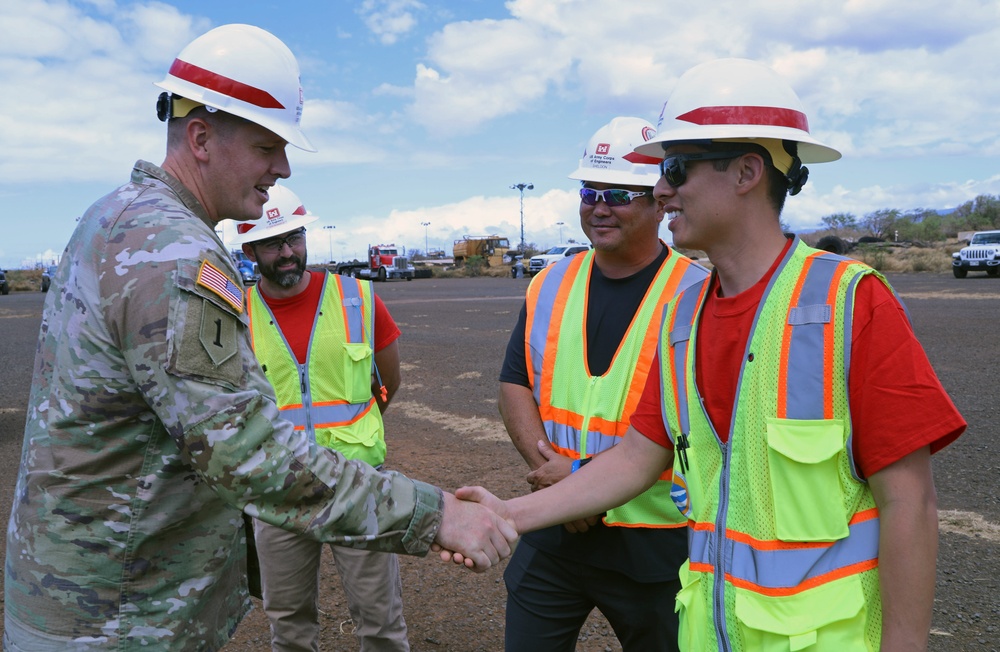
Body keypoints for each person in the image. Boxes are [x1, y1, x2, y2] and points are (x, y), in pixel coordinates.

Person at [3, 24, 514, 651]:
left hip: (90, 595)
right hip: (120, 618)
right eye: (268, 144)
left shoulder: (115, 217)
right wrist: (437, 514)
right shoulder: (174, 255)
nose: (284, 166)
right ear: (200, 137)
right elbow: (248, 453)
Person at [458, 58, 966, 651]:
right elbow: (633, 461)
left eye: (674, 167)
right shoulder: (684, 317)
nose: (662, 188)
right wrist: (508, 514)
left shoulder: (851, 304)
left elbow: (910, 502)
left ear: (748, 171)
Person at [497, 116, 709, 651]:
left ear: (660, 203)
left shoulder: (700, 295)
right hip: (556, 532)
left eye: (619, 193)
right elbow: (515, 382)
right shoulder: (551, 283)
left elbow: (702, 426)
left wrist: (587, 482)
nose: (599, 206)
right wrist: (557, 478)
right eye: (590, 191)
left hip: (656, 545)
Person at [234, 185, 410, 651]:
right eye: (273, 243)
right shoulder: (236, 315)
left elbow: (386, 385)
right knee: (289, 624)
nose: (288, 252)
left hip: (358, 482)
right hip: (278, 490)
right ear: (249, 249)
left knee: (380, 620)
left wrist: (354, 434)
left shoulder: (358, 298)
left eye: (294, 237)